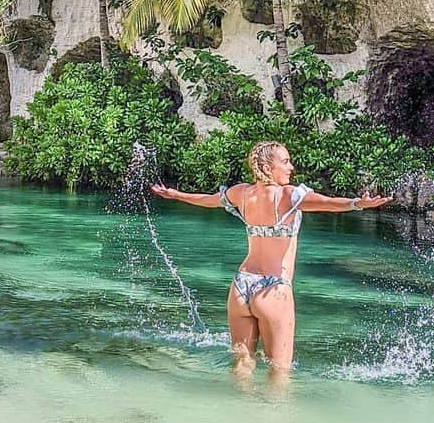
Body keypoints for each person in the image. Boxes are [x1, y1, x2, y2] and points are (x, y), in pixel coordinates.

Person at [150, 140, 392, 379]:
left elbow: (207, 200)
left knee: (242, 367)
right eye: (285, 162)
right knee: (279, 375)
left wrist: (175, 195)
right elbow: (328, 204)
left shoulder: (241, 193)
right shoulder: (289, 196)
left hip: (241, 286)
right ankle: (272, 418)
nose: (291, 168)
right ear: (267, 168)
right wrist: (358, 204)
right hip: (274, 289)